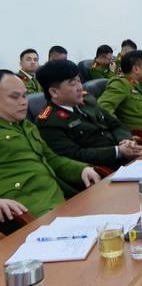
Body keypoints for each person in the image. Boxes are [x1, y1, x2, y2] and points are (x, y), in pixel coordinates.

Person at [0, 70, 101, 234]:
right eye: (14, 97)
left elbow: (51, 159)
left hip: (59, 202)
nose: (23, 102)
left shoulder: (27, 126)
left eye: (24, 96)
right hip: (27, 214)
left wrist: (82, 169)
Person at [35, 60, 142, 169]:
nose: (80, 87)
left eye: (79, 81)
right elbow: (75, 155)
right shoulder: (48, 122)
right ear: (54, 92)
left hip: (126, 158)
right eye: (73, 83)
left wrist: (125, 141)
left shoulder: (86, 100)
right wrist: (117, 151)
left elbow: (115, 124)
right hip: (102, 170)